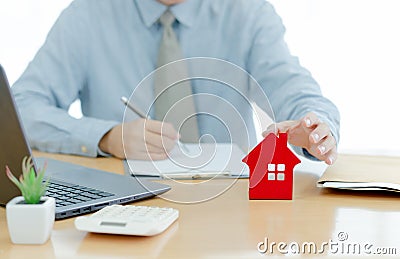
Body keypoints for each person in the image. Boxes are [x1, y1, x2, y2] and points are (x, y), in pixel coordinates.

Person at [12, 0, 340, 165]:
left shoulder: (246, 11)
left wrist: (313, 126)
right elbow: (22, 107)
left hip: (225, 205)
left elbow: (293, 86)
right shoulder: (89, 13)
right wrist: (106, 137)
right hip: (123, 205)